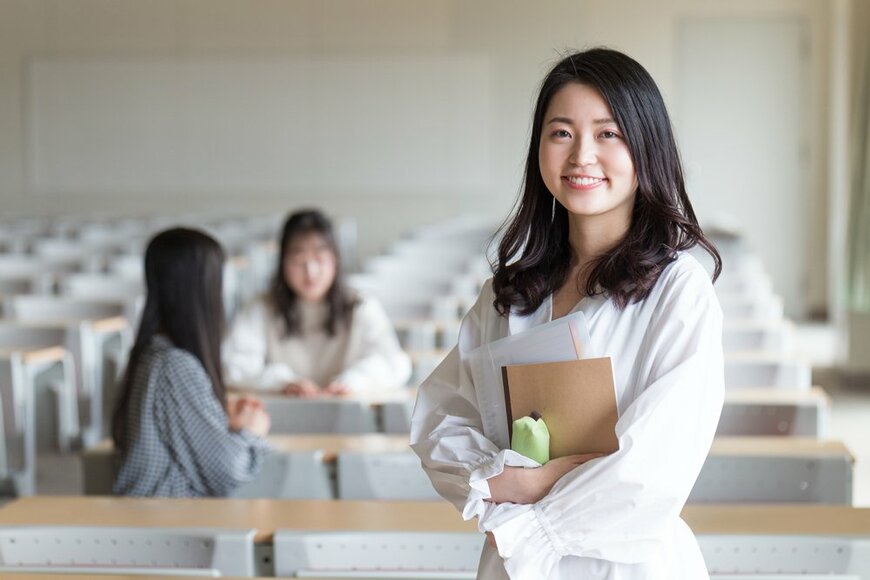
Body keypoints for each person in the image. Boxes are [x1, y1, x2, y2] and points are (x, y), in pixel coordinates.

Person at [410, 48, 724, 579]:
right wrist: (508, 482)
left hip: (626, 566)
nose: (581, 156)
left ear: (646, 147)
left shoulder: (678, 290)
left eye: (608, 134)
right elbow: (442, 418)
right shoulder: (505, 294)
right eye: (561, 133)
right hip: (513, 564)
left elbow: (652, 470)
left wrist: (529, 511)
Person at [112, 228, 271, 497]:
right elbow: (226, 473)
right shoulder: (175, 365)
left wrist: (217, 415)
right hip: (167, 527)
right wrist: (251, 431)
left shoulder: (152, 351)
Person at [223, 209, 411, 396]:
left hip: (346, 416)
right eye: (299, 260)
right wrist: (284, 383)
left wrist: (353, 381)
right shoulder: (262, 307)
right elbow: (234, 364)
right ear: (283, 263)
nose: (311, 272)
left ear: (335, 261)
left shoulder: (360, 305)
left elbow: (393, 363)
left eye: (320, 259)